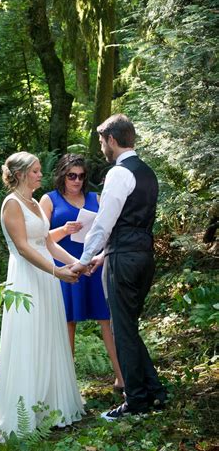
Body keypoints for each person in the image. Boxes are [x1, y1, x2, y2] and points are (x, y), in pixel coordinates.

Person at [0, 152, 85, 440]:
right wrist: (57, 272)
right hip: (27, 278)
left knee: (49, 335)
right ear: (21, 174)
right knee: (29, 337)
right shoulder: (12, 204)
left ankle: (50, 406)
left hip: (47, 277)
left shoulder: (35, 203)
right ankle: (24, 411)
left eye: (41, 170)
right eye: (37, 171)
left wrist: (76, 264)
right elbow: (25, 248)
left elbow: (47, 242)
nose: (42, 175)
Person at [72, 114, 167, 419]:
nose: (102, 148)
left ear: (112, 140)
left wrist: (85, 258)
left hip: (123, 261)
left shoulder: (119, 173)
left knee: (121, 329)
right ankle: (155, 392)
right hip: (143, 257)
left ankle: (136, 402)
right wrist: (103, 255)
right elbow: (135, 221)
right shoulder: (147, 172)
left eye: (102, 142)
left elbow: (104, 222)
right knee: (128, 327)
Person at [39, 154, 124, 392]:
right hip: (66, 266)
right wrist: (64, 230)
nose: (77, 181)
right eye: (71, 176)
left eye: (81, 176)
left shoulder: (94, 198)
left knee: (107, 319)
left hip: (94, 267)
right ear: (62, 175)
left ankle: (121, 377)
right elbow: (40, 239)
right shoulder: (50, 200)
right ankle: (67, 388)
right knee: (68, 322)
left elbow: (110, 232)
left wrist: (99, 256)